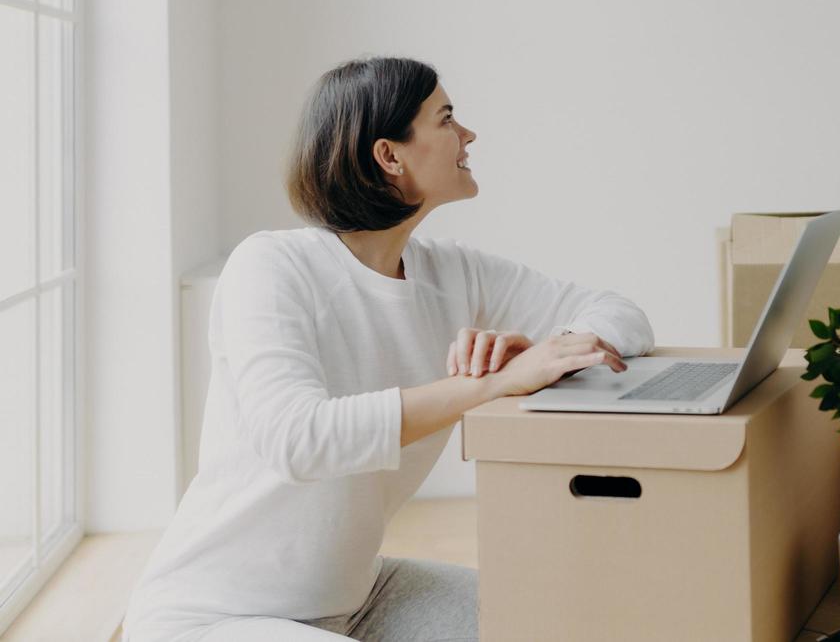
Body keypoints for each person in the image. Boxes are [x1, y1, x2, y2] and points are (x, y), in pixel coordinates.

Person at [123, 56, 654, 641]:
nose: (468, 135)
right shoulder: (271, 265)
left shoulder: (452, 272)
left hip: (358, 593)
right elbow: (298, 439)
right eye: (447, 119)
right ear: (390, 156)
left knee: (555, 624)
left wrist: (554, 348)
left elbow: (620, 312)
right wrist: (495, 383)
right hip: (214, 616)